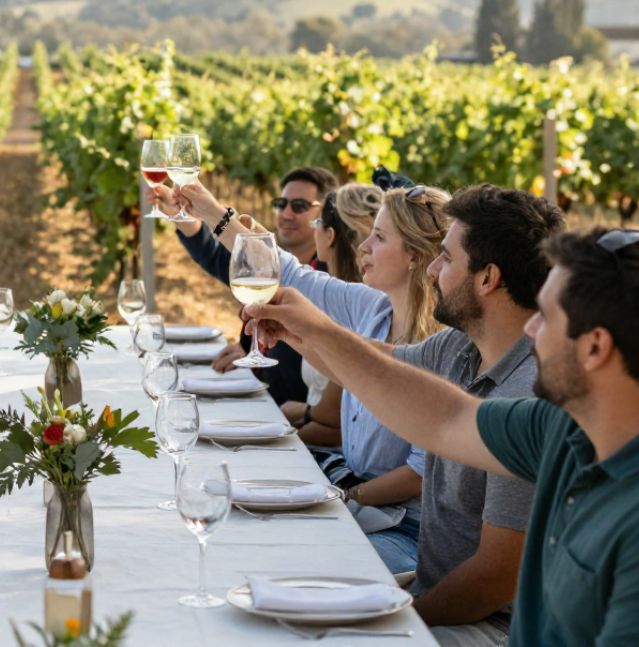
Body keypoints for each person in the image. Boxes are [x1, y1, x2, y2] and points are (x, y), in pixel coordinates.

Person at [247, 227, 639, 646]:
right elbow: (443, 419)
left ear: (596, 348)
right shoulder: (570, 425)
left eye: (546, 317)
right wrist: (312, 331)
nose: (530, 330)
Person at [180, 178, 448, 575]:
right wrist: (209, 210)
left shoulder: (444, 348)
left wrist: (338, 497)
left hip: (406, 531)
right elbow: (288, 273)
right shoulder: (374, 308)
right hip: (359, 501)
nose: (364, 247)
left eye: (378, 237)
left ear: (413, 255)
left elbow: (418, 477)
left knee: (288, 561)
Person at [150, 165, 337, 404]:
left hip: (290, 415)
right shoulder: (267, 264)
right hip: (260, 400)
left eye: (299, 206)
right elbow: (216, 256)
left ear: (324, 217)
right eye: (281, 204)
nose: (286, 213)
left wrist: (212, 211)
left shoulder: (328, 279)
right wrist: (177, 214)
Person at [283, 182, 384, 449]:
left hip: (336, 458)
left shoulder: (360, 308)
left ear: (328, 236)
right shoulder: (335, 295)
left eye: (317, 224)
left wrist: (280, 438)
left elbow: (336, 423)